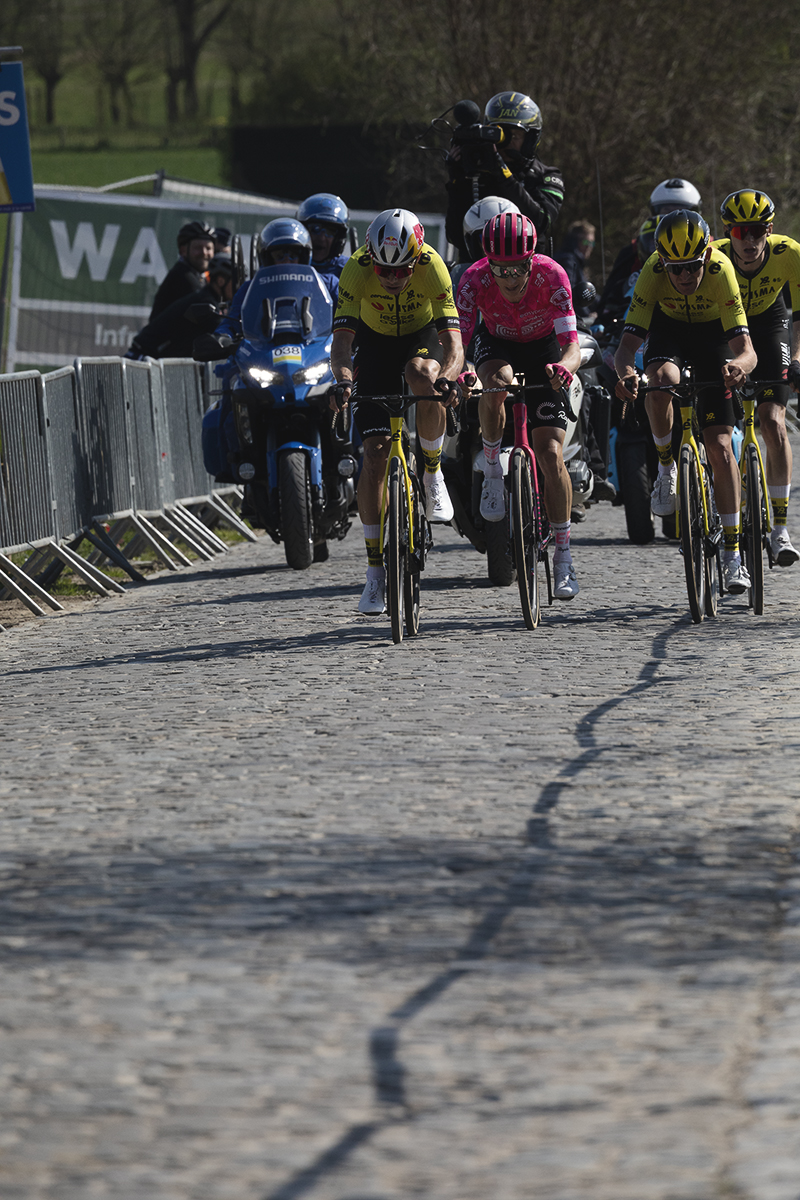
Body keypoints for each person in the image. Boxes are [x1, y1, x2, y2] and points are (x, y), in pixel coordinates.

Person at [328, 207, 464, 615]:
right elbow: (341, 343)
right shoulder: (356, 269)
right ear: (370, 257)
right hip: (375, 341)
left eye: (401, 271)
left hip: (421, 337)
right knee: (373, 456)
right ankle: (373, 572)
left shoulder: (433, 266)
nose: (391, 279)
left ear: (416, 259)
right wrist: (344, 380)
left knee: (423, 374)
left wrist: (450, 378)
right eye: (383, 271)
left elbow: (454, 345)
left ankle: (432, 469)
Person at [614, 210, 757, 595]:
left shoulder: (722, 271)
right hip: (669, 333)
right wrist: (627, 374)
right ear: (662, 261)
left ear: (707, 256)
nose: (684, 277)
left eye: (692, 267)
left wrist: (738, 368)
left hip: (713, 337)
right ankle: (666, 468)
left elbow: (746, 350)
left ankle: (732, 554)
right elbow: (627, 348)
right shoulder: (652, 273)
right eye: (675, 269)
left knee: (721, 446)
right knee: (660, 382)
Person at [455, 210, 583, 600]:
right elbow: (459, 342)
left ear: (531, 260)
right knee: (495, 382)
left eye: (517, 270)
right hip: (498, 345)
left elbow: (572, 345)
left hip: (545, 349)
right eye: (500, 270)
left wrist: (563, 368)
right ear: (487, 263)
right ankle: (493, 471)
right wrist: (464, 373)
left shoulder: (553, 275)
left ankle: (563, 555)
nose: (509, 279)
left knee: (549, 454)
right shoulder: (473, 280)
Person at [715, 189, 800, 567]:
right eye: (739, 232)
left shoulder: (789, 253)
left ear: (770, 229)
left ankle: (780, 527)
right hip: (724, 329)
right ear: (728, 232)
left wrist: (797, 359)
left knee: (773, 422)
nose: (748, 241)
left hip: (770, 326)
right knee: (715, 425)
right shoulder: (712, 257)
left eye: (757, 231)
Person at [445, 91, 564, 261]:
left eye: (515, 136)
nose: (507, 142)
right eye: (500, 134)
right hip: (476, 276)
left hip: (527, 277)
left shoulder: (546, 175)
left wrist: (503, 175)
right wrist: (457, 182)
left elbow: (541, 221)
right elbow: (455, 236)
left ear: (530, 139)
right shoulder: (476, 173)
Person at [212, 218, 339, 346]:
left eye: (294, 254)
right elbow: (232, 321)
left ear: (304, 256)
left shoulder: (328, 285)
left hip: (317, 354)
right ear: (267, 259)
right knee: (225, 367)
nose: (287, 261)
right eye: (279, 255)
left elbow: (349, 315)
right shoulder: (250, 289)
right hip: (262, 357)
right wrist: (221, 336)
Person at [598, 179, 702, 326]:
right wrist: (603, 321)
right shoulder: (633, 250)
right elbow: (612, 292)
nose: (673, 217)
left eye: (681, 210)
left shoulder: (711, 245)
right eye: (666, 210)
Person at [130, 254, 234, 359]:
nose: (239, 287)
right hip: (143, 358)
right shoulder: (205, 302)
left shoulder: (209, 298)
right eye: (235, 281)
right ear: (221, 281)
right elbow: (221, 333)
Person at [149, 220, 215, 320]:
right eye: (198, 248)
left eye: (208, 248)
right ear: (183, 251)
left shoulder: (198, 276)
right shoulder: (183, 277)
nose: (204, 253)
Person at [296, 192, 350, 276]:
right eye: (315, 229)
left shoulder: (349, 271)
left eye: (330, 231)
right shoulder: (288, 262)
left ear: (339, 239)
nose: (321, 238)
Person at [554, 219, 596, 320]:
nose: (589, 247)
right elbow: (568, 293)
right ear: (574, 241)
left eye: (592, 243)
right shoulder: (567, 260)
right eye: (586, 242)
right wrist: (587, 315)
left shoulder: (576, 261)